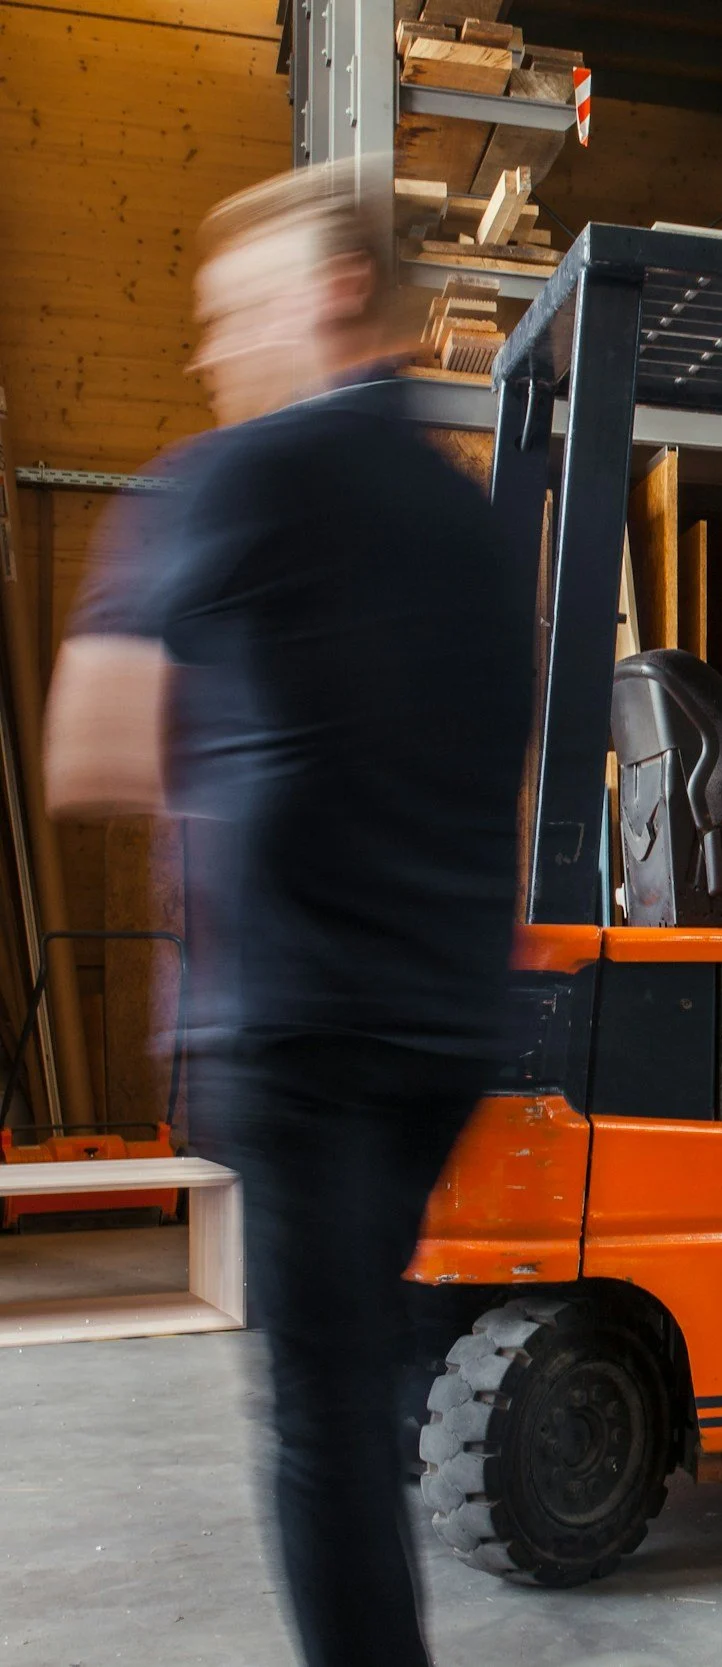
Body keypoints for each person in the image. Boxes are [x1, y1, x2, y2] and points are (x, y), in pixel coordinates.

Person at [45, 162, 535, 1667]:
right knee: (360, 1372)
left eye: (227, 312)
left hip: (302, 1021)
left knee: (319, 1422)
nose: (207, 351)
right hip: (443, 1023)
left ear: (329, 291)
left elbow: (93, 749)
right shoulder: (477, 532)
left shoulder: (238, 476)